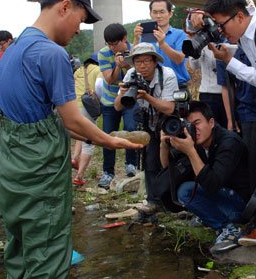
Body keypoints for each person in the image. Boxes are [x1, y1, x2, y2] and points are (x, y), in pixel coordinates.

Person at [0, 0, 143, 279]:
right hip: (38, 179)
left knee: (19, 251)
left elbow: (38, 119)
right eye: (81, 20)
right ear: (64, 7)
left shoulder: (12, 50)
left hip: (8, 176)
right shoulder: (51, 54)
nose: (78, 30)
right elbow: (71, 119)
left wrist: (91, 137)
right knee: (47, 258)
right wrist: (109, 140)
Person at [192, 0, 256, 195]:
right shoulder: (241, 29)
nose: (220, 32)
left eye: (221, 25)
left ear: (239, 16)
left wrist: (228, 60)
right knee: (255, 159)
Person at [159, 101, 251, 253]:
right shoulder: (195, 141)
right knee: (184, 185)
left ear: (212, 122)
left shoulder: (229, 142)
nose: (194, 129)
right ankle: (210, 216)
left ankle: (228, 230)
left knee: (186, 191)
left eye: (197, 123)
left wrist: (191, 152)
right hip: (222, 197)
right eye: (188, 125)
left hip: (241, 206)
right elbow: (167, 168)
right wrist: (164, 145)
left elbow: (212, 185)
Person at [114, 42, 178, 215]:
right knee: (149, 159)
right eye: (138, 61)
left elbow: (170, 108)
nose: (142, 65)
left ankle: (173, 200)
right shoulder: (131, 74)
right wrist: (122, 93)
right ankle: (153, 200)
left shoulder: (167, 74)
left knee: (171, 158)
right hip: (146, 118)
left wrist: (147, 97)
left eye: (146, 61)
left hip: (167, 118)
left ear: (155, 62)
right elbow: (118, 107)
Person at [97, 23, 138, 188]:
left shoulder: (134, 49)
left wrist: (127, 63)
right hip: (110, 100)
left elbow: (138, 72)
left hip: (129, 98)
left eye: (115, 43)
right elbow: (110, 79)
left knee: (131, 128)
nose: (113, 47)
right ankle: (108, 173)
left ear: (124, 39)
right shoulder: (103, 53)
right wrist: (117, 65)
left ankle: (131, 165)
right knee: (107, 135)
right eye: (109, 44)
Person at [133, 0, 190, 89]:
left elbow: (179, 59)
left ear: (170, 14)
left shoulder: (181, 35)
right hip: (150, 87)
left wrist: (162, 44)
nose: (158, 16)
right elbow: (133, 61)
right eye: (154, 12)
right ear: (150, 14)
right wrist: (136, 39)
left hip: (177, 86)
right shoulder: (144, 36)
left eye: (162, 12)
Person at [186, 18, 227, 128]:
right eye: (189, 34)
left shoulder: (228, 39)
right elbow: (194, 65)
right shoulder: (203, 41)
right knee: (211, 130)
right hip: (209, 94)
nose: (191, 36)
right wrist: (195, 50)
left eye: (193, 33)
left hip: (229, 92)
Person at [72, 53, 102, 186]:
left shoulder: (78, 70)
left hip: (74, 106)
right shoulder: (97, 70)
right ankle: (80, 176)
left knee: (81, 134)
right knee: (89, 140)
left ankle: (74, 158)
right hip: (87, 107)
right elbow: (99, 86)